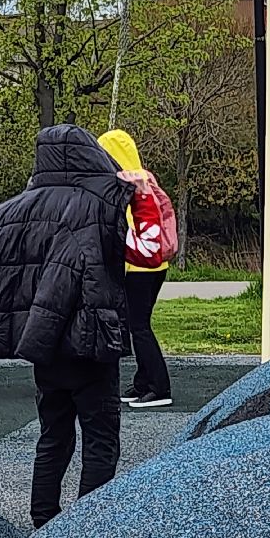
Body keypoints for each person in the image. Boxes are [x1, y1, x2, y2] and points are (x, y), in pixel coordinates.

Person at [0, 125, 131, 529]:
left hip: (42, 344)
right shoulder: (98, 203)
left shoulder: (12, 210)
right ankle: (90, 524)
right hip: (89, 340)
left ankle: (43, 517)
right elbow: (131, 250)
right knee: (101, 437)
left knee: (53, 434)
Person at [98, 129, 172, 410]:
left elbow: (124, 231)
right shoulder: (145, 179)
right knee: (138, 324)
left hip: (138, 267)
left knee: (138, 327)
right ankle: (144, 381)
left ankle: (158, 386)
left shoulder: (124, 186)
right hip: (156, 265)